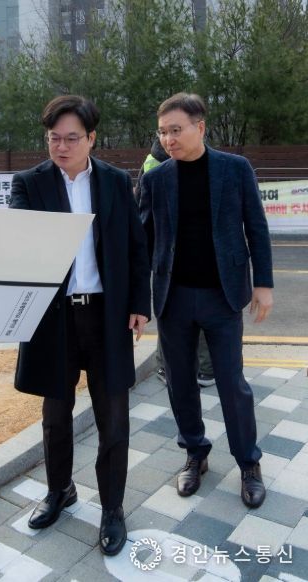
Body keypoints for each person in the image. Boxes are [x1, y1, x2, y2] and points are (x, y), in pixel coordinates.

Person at [9, 95, 151, 556]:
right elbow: (19, 245)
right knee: (55, 416)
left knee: (114, 417)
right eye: (54, 138)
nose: (62, 147)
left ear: (91, 138)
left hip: (106, 316)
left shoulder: (114, 180)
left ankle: (112, 508)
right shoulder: (29, 183)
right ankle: (59, 491)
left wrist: (140, 304)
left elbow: (136, 247)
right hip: (55, 319)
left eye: (72, 138)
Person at [140, 92, 273, 509]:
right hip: (173, 297)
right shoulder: (156, 179)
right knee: (180, 382)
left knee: (232, 384)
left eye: (176, 130)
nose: (168, 140)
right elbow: (142, 243)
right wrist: (135, 300)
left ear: (200, 127)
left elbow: (256, 226)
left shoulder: (235, 169)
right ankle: (195, 452)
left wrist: (264, 283)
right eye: (162, 132)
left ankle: (248, 462)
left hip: (222, 295)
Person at [136, 138, 215, 387]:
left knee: (168, 314)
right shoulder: (174, 163)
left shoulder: (150, 162)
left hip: (164, 254)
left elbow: (142, 212)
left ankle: (165, 365)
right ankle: (205, 369)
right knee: (195, 314)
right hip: (183, 253)